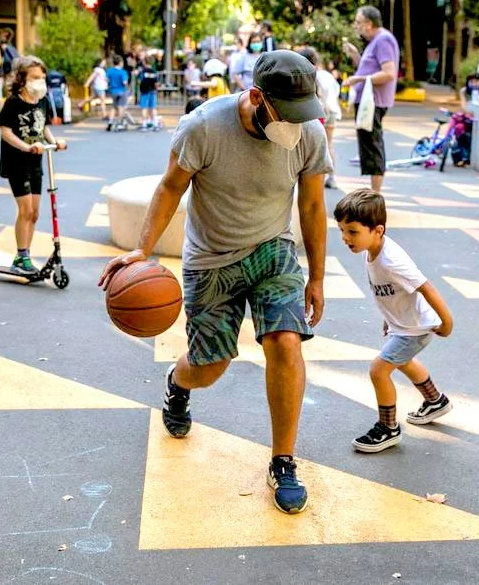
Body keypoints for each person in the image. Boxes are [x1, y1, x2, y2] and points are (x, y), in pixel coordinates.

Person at [98, 50, 331, 515]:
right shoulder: (203, 126)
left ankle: (283, 461)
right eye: (287, 113)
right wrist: (143, 249)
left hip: (273, 250)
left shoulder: (309, 133)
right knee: (210, 367)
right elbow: (170, 186)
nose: (296, 124)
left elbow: (310, 206)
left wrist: (318, 278)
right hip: (211, 260)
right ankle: (178, 382)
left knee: (286, 342)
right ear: (257, 97)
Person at [334, 189, 454, 453]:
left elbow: (426, 287)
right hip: (403, 324)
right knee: (403, 361)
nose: (345, 237)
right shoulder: (371, 250)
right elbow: (390, 292)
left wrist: (446, 323)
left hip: (415, 328)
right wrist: (389, 318)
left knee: (379, 370)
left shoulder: (391, 260)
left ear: (378, 230)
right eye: (342, 230)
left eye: (352, 231)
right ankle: (435, 401)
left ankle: (388, 428)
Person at [0, 55, 67, 273]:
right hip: (16, 162)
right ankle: (21, 256)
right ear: (22, 79)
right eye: (35, 77)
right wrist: (25, 147)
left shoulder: (42, 101)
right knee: (25, 210)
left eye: (42, 77)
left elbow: (42, 126)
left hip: (36, 162)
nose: (40, 82)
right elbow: (5, 131)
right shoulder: (14, 102)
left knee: (34, 213)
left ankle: (25, 252)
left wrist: (54, 142)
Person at [342, 5, 400, 193]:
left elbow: (388, 73)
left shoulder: (383, 40)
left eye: (358, 22)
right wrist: (355, 56)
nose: (356, 26)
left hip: (373, 102)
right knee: (369, 146)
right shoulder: (375, 41)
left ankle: (376, 194)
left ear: (369, 23)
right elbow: (370, 69)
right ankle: (374, 193)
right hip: (368, 101)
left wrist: (358, 79)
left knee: (373, 145)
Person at [300, 46, 341, 189]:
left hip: (319, 112)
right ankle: (332, 178)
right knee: (328, 143)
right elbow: (336, 91)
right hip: (332, 111)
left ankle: (316, 179)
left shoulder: (309, 75)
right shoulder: (327, 75)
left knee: (315, 147)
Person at [136, 59, 160, 130]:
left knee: (144, 108)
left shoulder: (142, 72)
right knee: (153, 108)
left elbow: (139, 81)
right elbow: (156, 83)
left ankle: (144, 125)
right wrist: (156, 89)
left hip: (144, 91)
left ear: (144, 63)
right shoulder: (154, 72)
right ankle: (155, 125)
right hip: (153, 91)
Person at [105, 55, 130, 125]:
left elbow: (106, 79)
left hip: (113, 91)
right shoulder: (123, 72)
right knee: (121, 107)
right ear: (120, 63)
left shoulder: (110, 70)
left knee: (113, 107)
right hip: (122, 91)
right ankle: (119, 122)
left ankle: (110, 122)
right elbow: (124, 82)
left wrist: (111, 83)